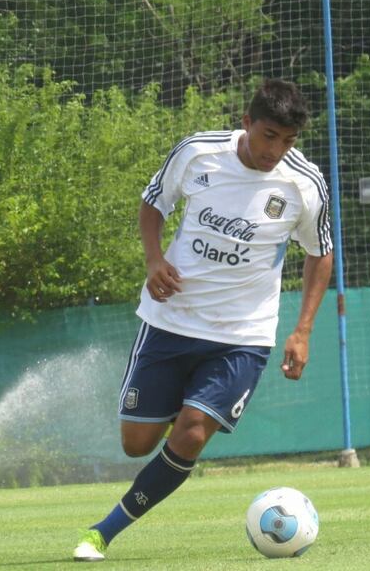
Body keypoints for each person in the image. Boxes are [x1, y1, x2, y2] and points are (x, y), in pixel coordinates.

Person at [73, 78, 334, 562]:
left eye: (288, 140)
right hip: (171, 319)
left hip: (243, 334)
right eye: (269, 135)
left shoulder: (304, 182)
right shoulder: (198, 152)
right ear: (247, 123)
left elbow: (321, 253)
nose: (275, 150)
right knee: (136, 443)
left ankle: (102, 531)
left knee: (193, 431)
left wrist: (303, 330)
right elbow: (153, 203)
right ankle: (184, 404)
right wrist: (153, 260)